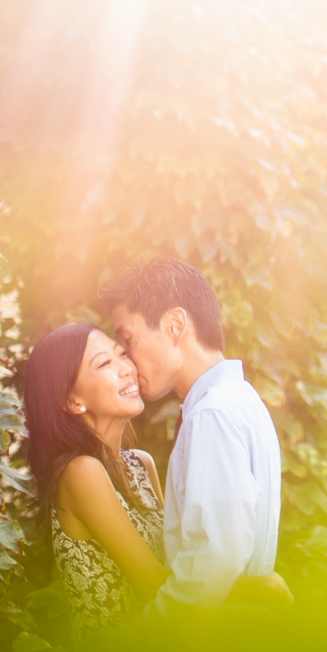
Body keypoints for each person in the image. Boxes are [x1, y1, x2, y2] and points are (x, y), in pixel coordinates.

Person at [22, 323, 286, 639]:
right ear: (73, 400)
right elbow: (152, 583)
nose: (126, 368)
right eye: (105, 363)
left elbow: (175, 567)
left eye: (122, 354)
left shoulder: (141, 464)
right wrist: (261, 587)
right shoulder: (80, 473)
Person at [101, 257, 284, 612]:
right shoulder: (239, 400)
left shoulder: (212, 414)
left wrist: (151, 638)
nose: (127, 359)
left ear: (174, 325)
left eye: (128, 339)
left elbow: (212, 559)